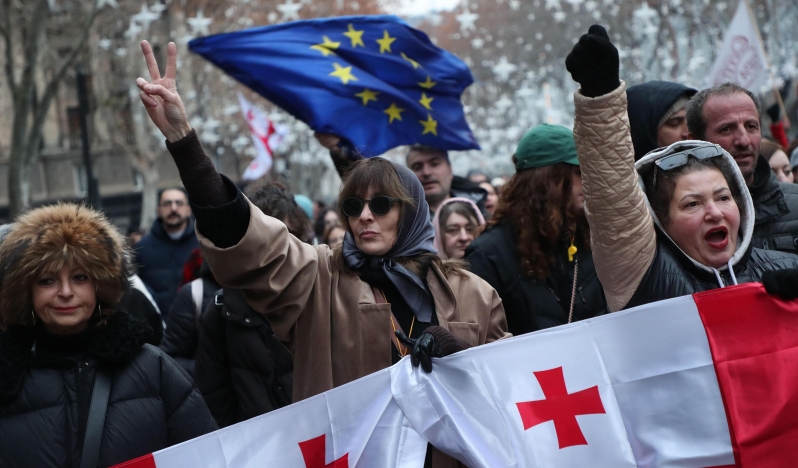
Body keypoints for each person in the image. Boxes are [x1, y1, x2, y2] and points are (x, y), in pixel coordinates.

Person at [136, 39, 509, 468]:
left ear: (411, 213)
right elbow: (247, 240)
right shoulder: (318, 278)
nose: (364, 216)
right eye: (353, 206)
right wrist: (184, 142)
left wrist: (460, 356)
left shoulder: (474, 294)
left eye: (381, 205)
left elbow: (509, 393)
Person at [564, 25, 798, 312]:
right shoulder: (647, 278)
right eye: (692, 204)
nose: (714, 212)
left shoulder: (787, 269)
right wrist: (601, 98)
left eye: (723, 197)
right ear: (663, 220)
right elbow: (615, 204)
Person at [0, 203, 217, 467]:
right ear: (26, 291)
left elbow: (206, 456)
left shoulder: (153, 369)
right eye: (47, 280)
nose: (66, 292)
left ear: (100, 285)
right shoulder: (7, 375)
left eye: (80, 277)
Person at [466, 124, 608, 336]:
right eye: (578, 173)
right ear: (546, 180)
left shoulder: (589, 237)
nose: (587, 182)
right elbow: (479, 342)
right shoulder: (488, 254)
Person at [195, 184, 299, 428]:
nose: (279, 249)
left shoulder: (321, 293)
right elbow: (214, 398)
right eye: (267, 238)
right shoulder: (222, 311)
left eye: (288, 235)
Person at [686, 82, 798, 253]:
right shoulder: (676, 221)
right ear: (694, 141)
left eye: (751, 126)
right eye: (726, 129)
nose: (744, 140)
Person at [314, 133, 488, 216]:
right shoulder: (399, 217)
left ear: (450, 169)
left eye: (434, 164)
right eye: (417, 166)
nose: (427, 172)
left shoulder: (481, 211)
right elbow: (364, 182)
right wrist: (342, 151)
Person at [134, 187, 200, 316]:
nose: (173, 208)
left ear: (188, 210)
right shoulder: (142, 248)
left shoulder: (203, 245)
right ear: (158, 210)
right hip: (159, 326)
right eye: (167, 204)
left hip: (199, 324)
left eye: (179, 203)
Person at [626, 80, 697, 160]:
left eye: (693, 121)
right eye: (675, 123)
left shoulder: (709, 166)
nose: (688, 132)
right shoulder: (617, 171)